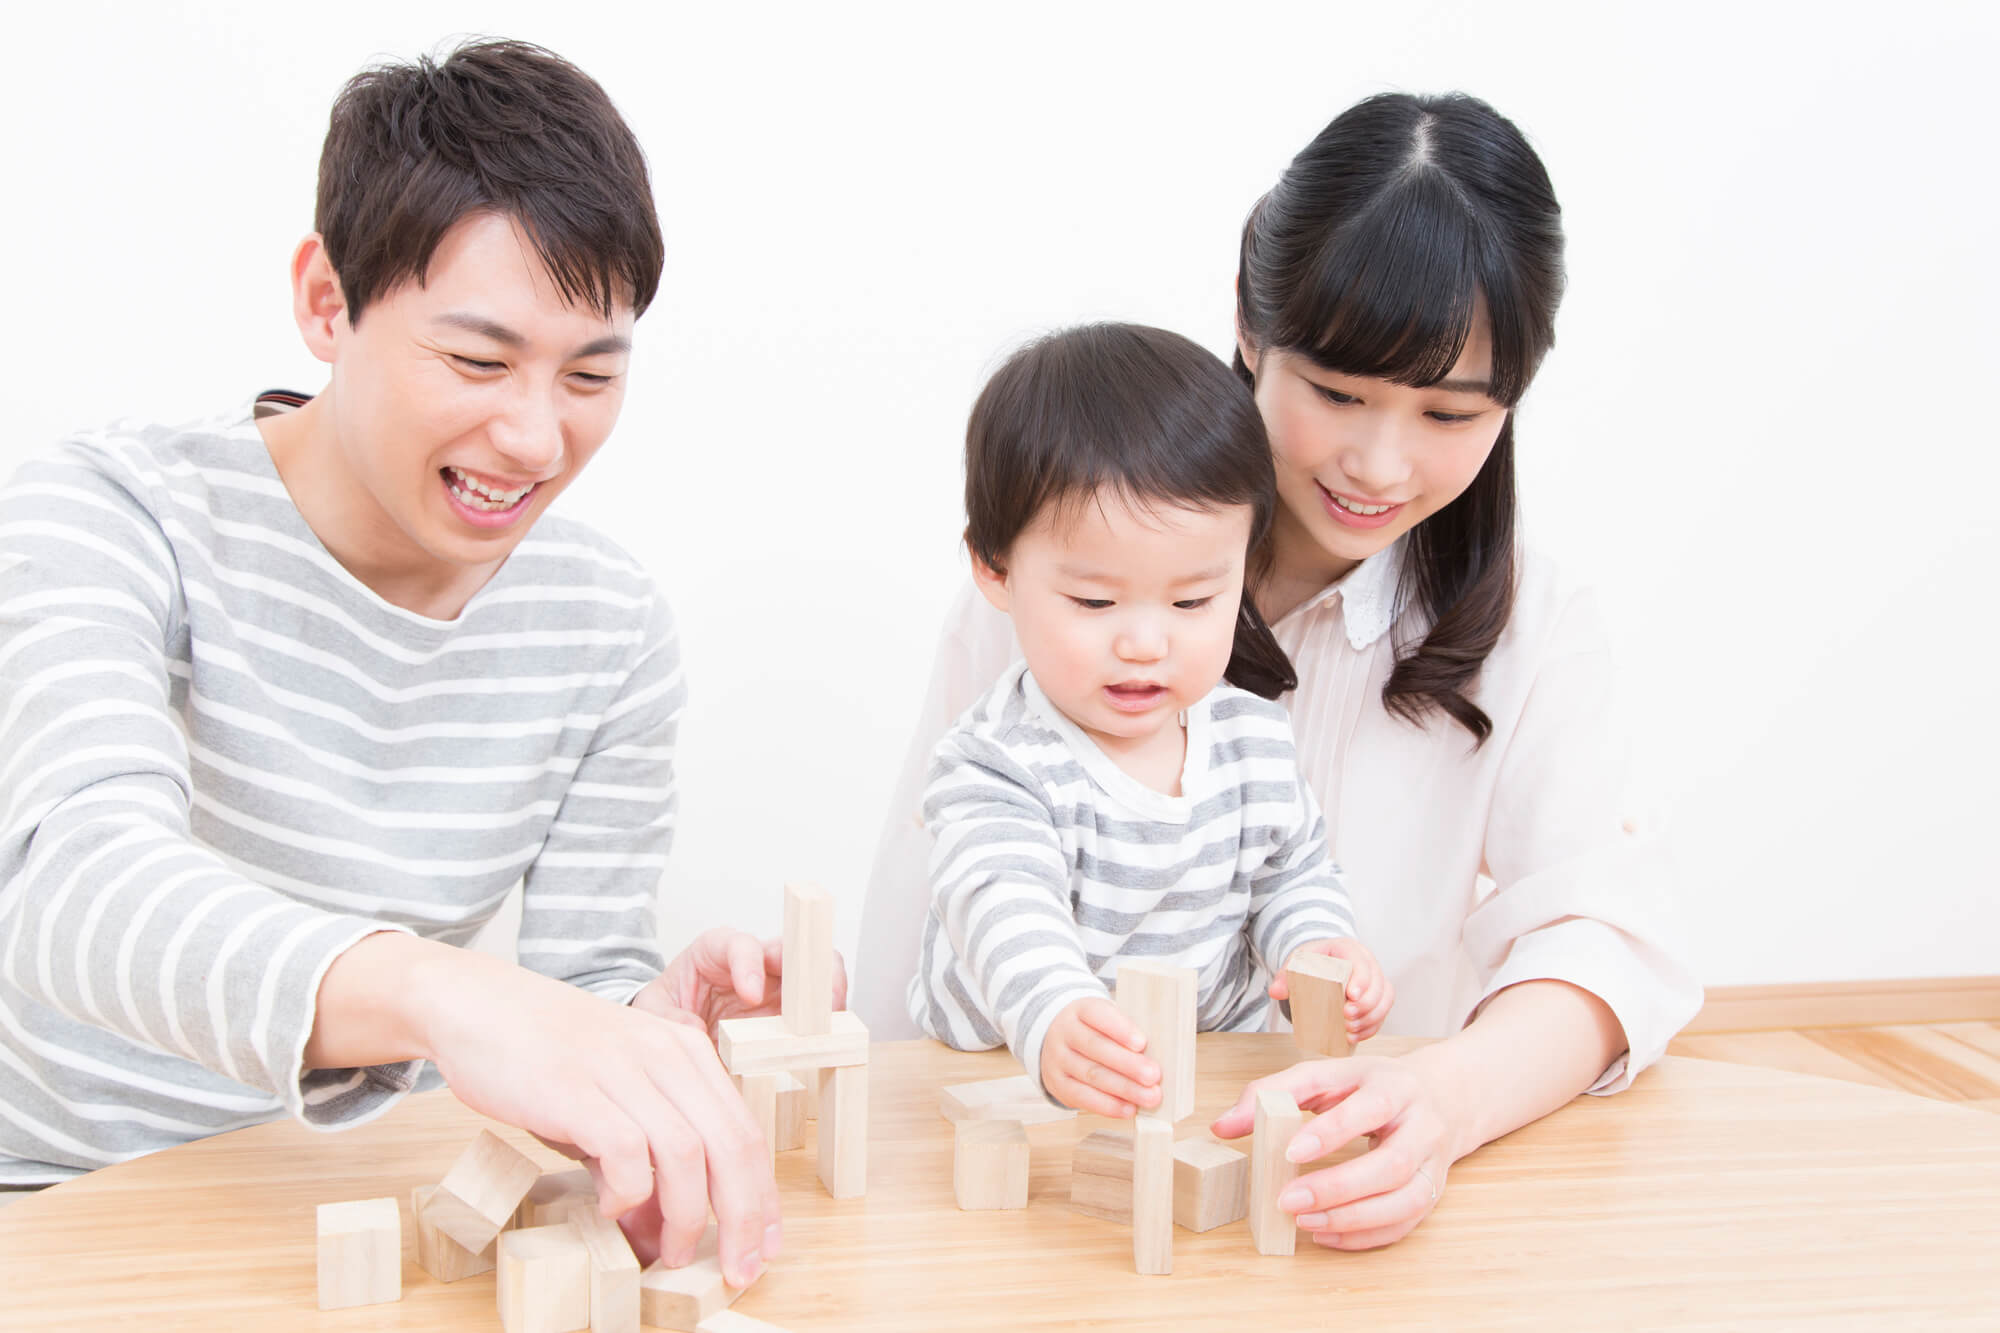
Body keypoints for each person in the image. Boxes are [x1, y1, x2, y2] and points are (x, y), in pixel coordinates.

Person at [0, 40, 816, 1284]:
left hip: (366, 1209)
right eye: (477, 361)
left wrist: (639, 1026)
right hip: (54, 1201)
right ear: (328, 301)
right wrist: (444, 994)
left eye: (591, 373)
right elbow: (71, 891)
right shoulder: (108, 514)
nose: (536, 436)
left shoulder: (606, 624)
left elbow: (565, 985)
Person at [857, 92, 1701, 1250]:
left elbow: (1605, 939)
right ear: (1250, 330)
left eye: (1449, 413)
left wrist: (1443, 1101)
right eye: (1338, 392)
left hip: (1326, 1181)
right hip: (1043, 1183)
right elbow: (930, 904)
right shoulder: (1061, 575)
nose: (1378, 461)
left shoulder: (1535, 627)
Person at [907, 323, 1392, 1117]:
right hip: (1012, 1088)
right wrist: (1057, 1012)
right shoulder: (996, 762)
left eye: (1193, 601)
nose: (1143, 642)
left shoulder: (1252, 743)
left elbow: (1293, 876)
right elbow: (1002, 898)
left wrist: (1317, 952)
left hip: (1200, 1082)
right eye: (1095, 602)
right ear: (995, 568)